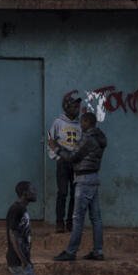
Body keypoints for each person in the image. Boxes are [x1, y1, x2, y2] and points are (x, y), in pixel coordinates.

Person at [51, 112, 107, 262]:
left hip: (84, 179)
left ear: (87, 122)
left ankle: (71, 252)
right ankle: (98, 251)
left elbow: (72, 157)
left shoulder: (88, 138)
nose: (80, 125)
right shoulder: (100, 137)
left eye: (82, 122)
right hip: (93, 177)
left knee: (77, 218)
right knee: (96, 218)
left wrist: (56, 148)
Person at [48, 95, 82, 233]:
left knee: (75, 193)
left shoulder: (80, 124)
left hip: (76, 163)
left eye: (78, 107)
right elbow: (50, 140)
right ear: (66, 108)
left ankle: (70, 222)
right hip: (62, 162)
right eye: (74, 106)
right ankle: (59, 222)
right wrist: (57, 157)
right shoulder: (58, 122)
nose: (77, 109)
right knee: (62, 192)